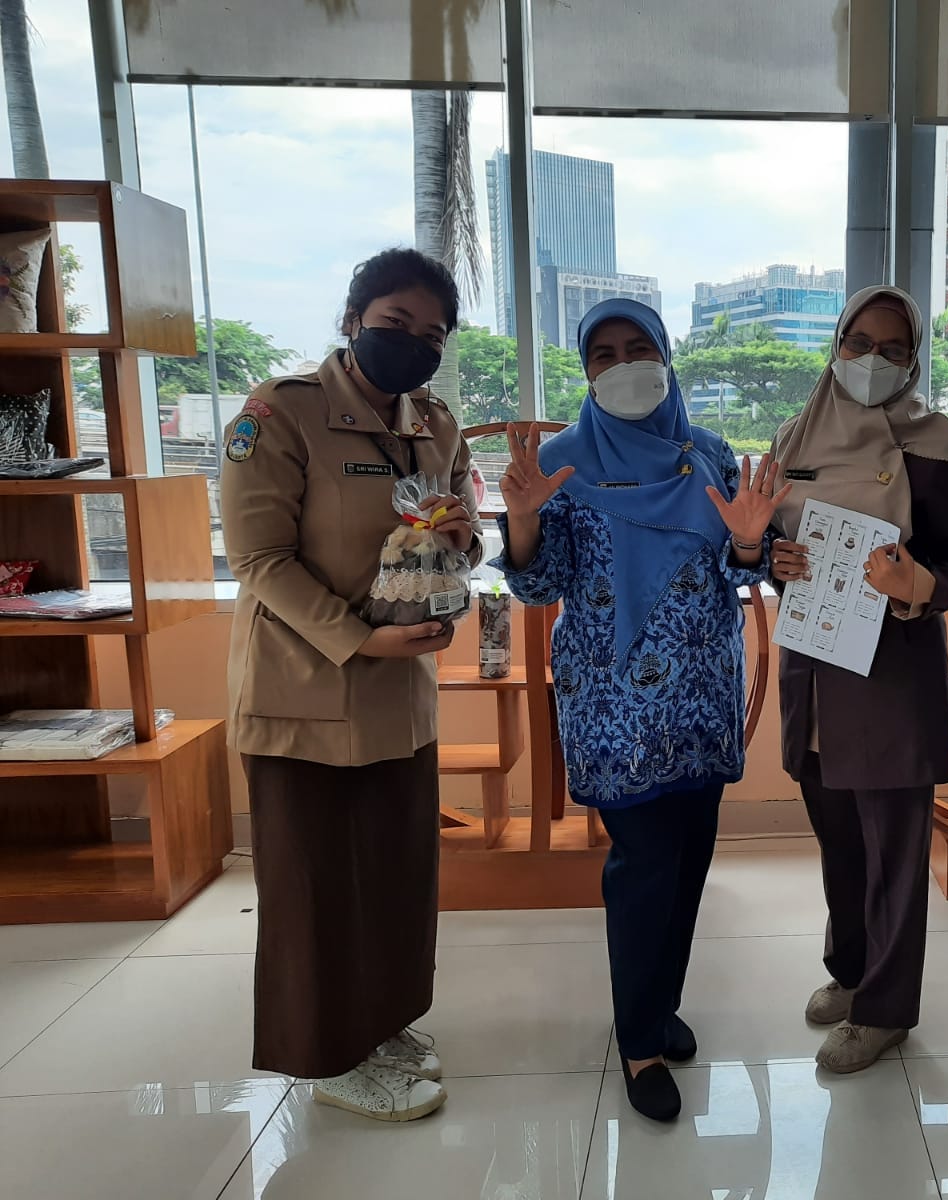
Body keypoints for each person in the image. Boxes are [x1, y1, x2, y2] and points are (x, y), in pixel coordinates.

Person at [493, 299, 784, 1123]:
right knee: (645, 864)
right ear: (585, 370)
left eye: (639, 348)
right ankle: (639, 1042)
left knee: (689, 860)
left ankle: (658, 1003)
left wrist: (751, 543)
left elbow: (740, 572)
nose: (624, 366)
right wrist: (522, 522)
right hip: (613, 703)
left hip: (701, 695)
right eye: (604, 354)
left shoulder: (708, 454)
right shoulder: (560, 462)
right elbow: (539, 585)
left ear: (665, 356)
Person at [220, 248, 482, 1123]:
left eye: (432, 334)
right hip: (305, 687)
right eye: (395, 323)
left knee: (396, 870)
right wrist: (359, 638)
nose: (413, 344)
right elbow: (258, 559)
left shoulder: (434, 424)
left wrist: (460, 541)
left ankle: (379, 1023)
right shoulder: (281, 414)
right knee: (318, 885)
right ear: (352, 319)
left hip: (400, 692)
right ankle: (327, 1056)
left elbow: (464, 530)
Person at [768, 286, 948, 1073]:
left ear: (914, 359)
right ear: (837, 343)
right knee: (839, 843)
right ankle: (852, 971)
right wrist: (773, 560)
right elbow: (772, 544)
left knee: (893, 852)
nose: (871, 360)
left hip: (891, 674)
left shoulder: (936, 443)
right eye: (858, 342)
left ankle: (886, 1009)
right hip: (815, 669)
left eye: (893, 349)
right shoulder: (796, 435)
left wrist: (917, 583)